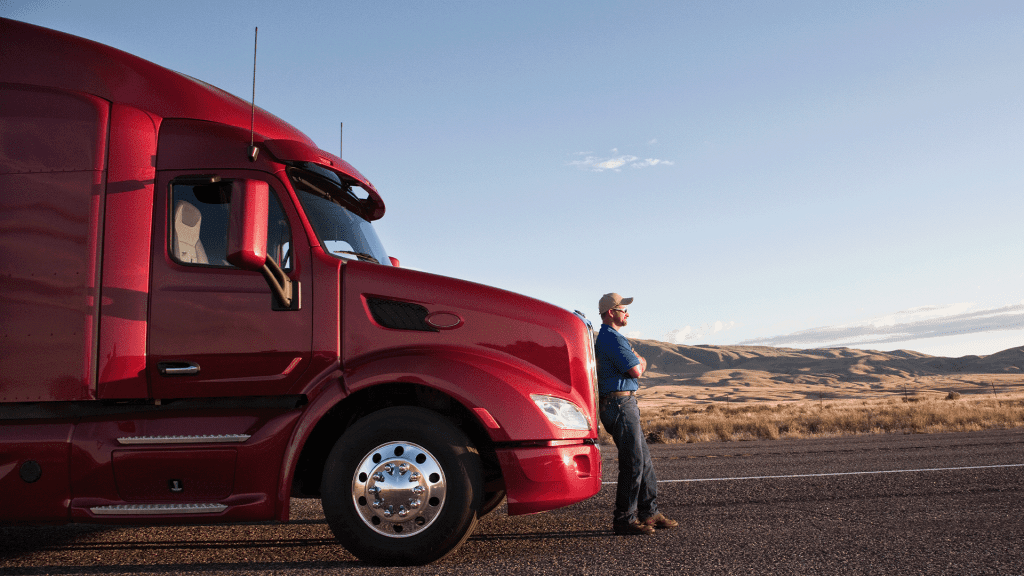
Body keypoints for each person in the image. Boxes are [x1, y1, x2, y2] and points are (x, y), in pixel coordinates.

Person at [595, 293, 678, 536]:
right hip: (620, 404)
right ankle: (624, 518)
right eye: (623, 309)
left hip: (624, 403)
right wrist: (640, 359)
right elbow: (635, 369)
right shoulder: (612, 339)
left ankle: (649, 513)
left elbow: (635, 366)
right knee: (633, 462)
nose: (627, 313)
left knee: (644, 460)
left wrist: (638, 360)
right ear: (611, 312)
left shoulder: (613, 339)